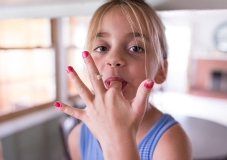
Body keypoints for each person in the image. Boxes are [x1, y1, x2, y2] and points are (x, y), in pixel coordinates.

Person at [54, 0, 192, 159]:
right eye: (102, 48)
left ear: (161, 70)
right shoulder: (77, 138)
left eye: (135, 48)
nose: (113, 58)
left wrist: (119, 137)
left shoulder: (170, 143)